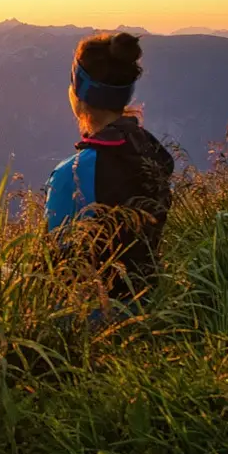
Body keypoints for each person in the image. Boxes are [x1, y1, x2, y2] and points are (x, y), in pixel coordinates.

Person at [45, 32, 174, 302]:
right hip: (149, 303)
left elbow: (53, 267)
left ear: (78, 92)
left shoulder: (73, 173)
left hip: (92, 318)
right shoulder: (150, 150)